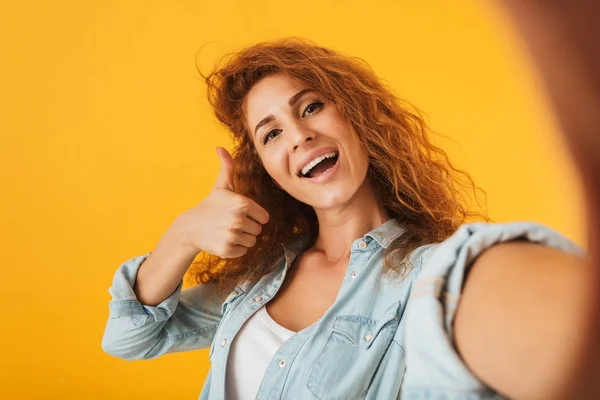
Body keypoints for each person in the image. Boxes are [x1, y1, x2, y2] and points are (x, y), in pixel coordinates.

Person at [101, 1, 600, 398]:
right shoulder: (259, 278)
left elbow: (529, 323)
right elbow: (129, 338)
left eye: (311, 107)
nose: (297, 136)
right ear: (268, 170)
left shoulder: (431, 276)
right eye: (270, 134)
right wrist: (185, 232)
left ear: (358, 119)